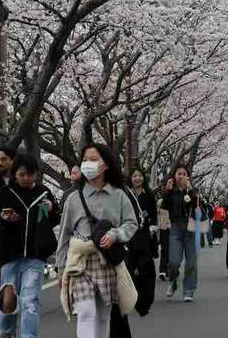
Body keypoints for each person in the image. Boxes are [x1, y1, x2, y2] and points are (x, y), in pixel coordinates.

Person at [56, 144, 138, 338]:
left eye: (93, 159)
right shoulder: (73, 198)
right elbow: (64, 234)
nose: (87, 164)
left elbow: (131, 223)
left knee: (102, 315)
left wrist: (115, 235)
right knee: (85, 312)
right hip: (80, 262)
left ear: (106, 165)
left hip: (107, 260)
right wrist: (60, 268)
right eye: (85, 160)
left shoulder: (119, 195)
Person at [0, 153, 60, 338]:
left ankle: (29, 336)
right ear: (15, 174)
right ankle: (6, 333)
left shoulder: (44, 193)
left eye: (30, 174)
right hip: (9, 254)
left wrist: (50, 209)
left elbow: (54, 220)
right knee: (8, 302)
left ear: (36, 174)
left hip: (35, 256)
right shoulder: (5, 193)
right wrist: (5, 218)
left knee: (30, 300)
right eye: (22, 174)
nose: (26, 178)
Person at [161, 164, 199, 301]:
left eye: (184, 174)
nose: (181, 176)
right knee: (174, 261)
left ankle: (189, 291)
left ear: (188, 177)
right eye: (179, 173)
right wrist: (167, 192)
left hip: (191, 229)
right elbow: (164, 208)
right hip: (175, 228)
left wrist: (190, 191)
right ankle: (173, 280)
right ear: (174, 176)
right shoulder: (171, 191)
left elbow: (197, 206)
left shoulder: (192, 191)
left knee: (191, 262)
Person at [127, 167, 158, 317]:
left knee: (145, 265)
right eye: (134, 176)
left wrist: (153, 227)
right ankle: (133, 295)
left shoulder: (149, 195)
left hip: (145, 234)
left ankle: (146, 297)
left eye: (139, 176)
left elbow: (153, 214)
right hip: (129, 235)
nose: (137, 178)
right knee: (130, 266)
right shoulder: (126, 194)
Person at [156, 178, 173, 281]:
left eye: (172, 183)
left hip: (175, 227)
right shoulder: (160, 201)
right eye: (169, 183)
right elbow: (158, 215)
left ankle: (171, 269)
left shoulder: (177, 198)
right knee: (165, 248)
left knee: (173, 249)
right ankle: (163, 270)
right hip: (164, 226)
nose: (170, 185)